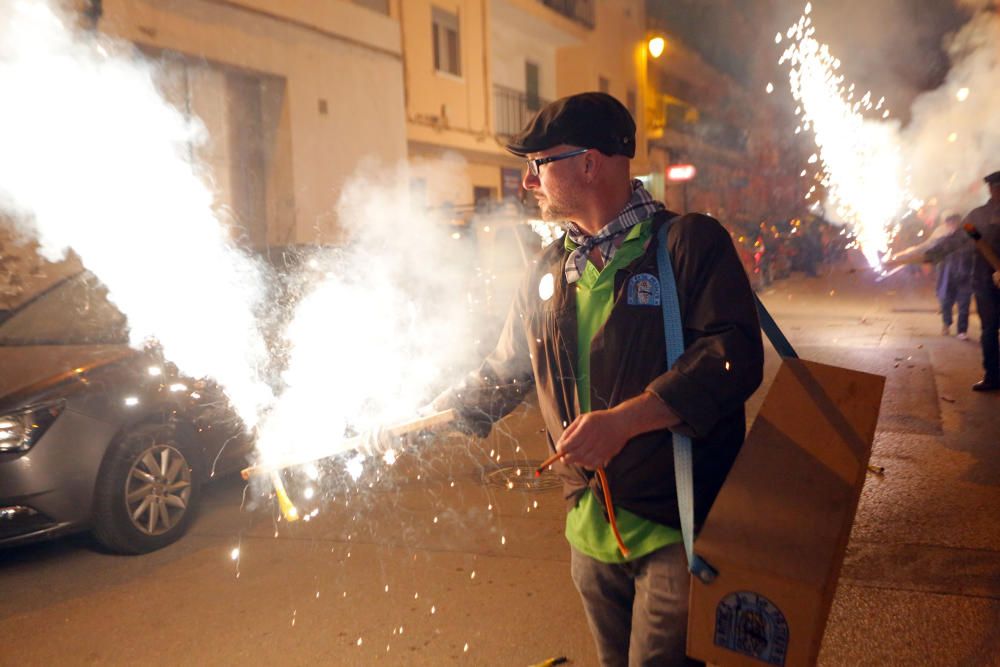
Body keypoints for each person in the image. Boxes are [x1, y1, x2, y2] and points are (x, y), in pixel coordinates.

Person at [433, 92, 764, 665]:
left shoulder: (686, 243)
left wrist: (626, 421)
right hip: (589, 530)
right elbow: (508, 370)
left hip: (676, 527)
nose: (527, 183)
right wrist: (442, 411)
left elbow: (732, 354)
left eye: (539, 164)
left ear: (590, 163)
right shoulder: (548, 270)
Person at [889, 172, 1000, 391]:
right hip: (985, 282)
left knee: (990, 329)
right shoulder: (975, 217)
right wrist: (922, 258)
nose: (996, 191)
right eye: (995, 188)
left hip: (986, 279)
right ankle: (993, 376)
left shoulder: (977, 216)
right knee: (989, 329)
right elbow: (952, 242)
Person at [932, 213, 975, 340]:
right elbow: (933, 253)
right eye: (950, 222)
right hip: (947, 275)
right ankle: (946, 324)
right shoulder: (941, 236)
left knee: (964, 303)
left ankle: (962, 330)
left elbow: (979, 246)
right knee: (946, 301)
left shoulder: (970, 233)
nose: (953, 225)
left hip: (965, 275)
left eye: (955, 222)